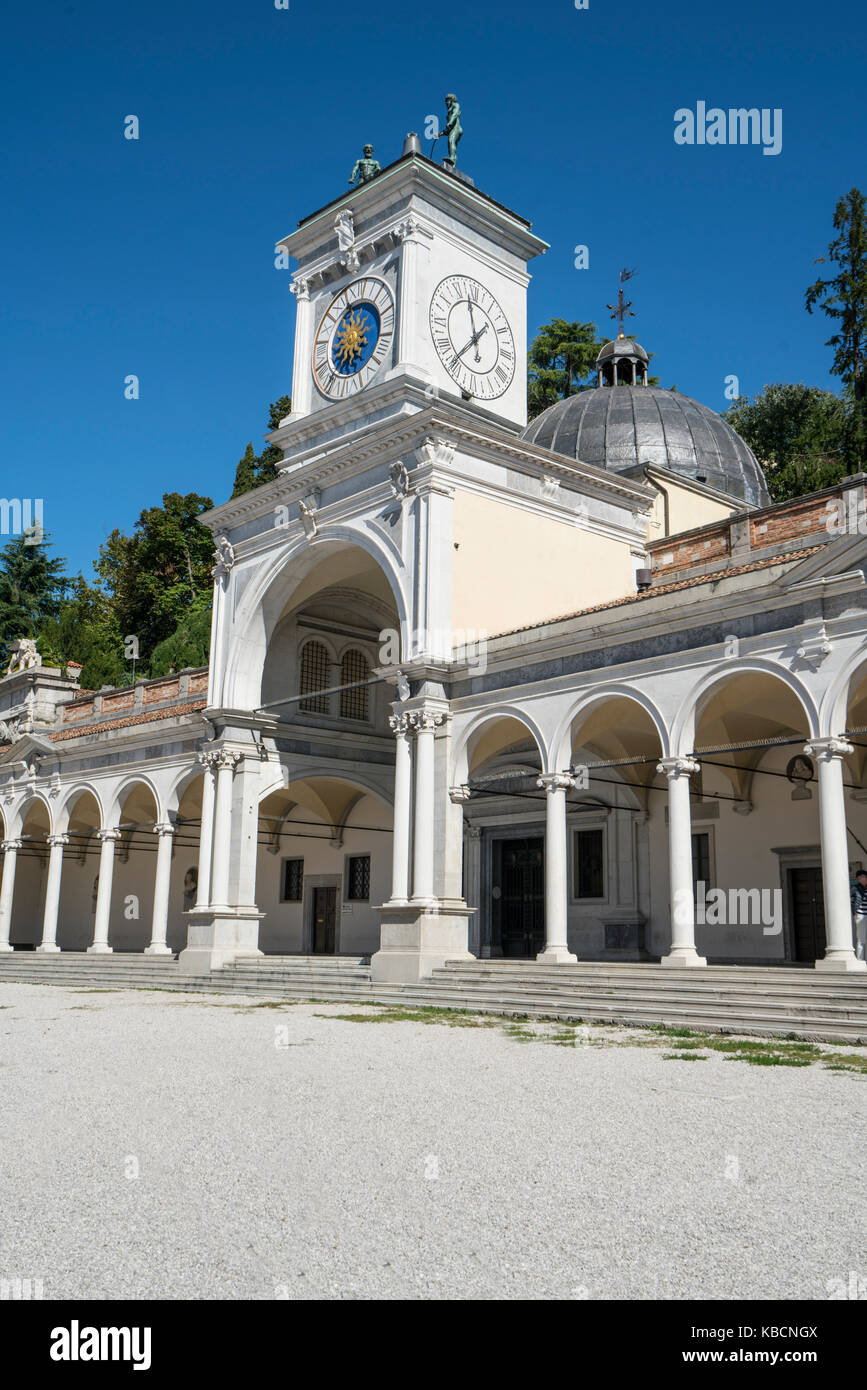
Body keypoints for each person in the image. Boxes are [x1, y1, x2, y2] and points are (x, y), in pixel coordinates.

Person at [850, 869, 867, 960]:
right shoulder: (855, 888)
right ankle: (860, 961)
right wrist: (853, 910)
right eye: (859, 877)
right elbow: (847, 897)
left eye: (863, 876)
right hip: (861, 916)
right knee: (861, 939)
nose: (861, 878)